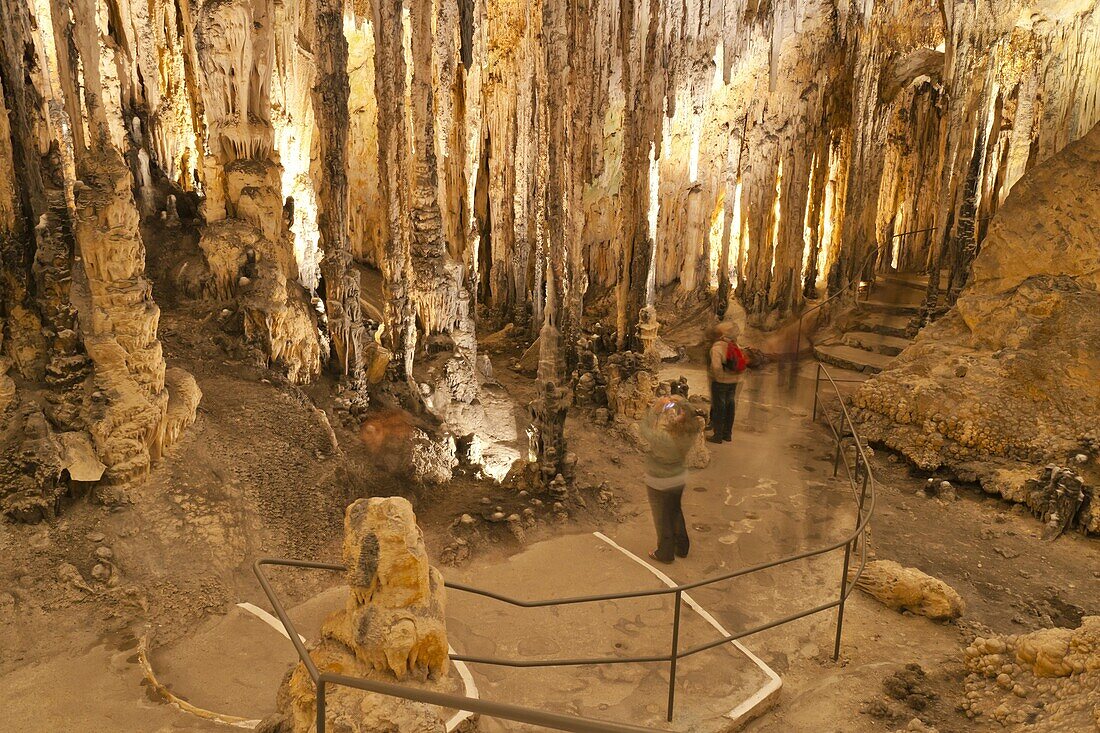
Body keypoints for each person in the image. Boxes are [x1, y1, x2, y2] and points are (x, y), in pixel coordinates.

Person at [639, 394, 704, 563]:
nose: (678, 413)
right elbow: (690, 412)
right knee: (675, 511)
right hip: (678, 478)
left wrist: (656, 408)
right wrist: (680, 400)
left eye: (680, 412)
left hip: (659, 481)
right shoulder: (692, 429)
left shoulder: (665, 438)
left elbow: (644, 428)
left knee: (662, 518)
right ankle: (682, 547)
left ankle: (665, 553)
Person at [707, 322, 744, 443]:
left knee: (719, 408)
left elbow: (716, 367)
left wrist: (717, 378)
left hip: (721, 383)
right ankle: (727, 434)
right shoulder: (735, 345)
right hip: (733, 382)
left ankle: (718, 436)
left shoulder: (717, 347)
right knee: (730, 407)